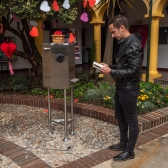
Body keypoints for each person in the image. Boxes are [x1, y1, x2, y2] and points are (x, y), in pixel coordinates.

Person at [100, 15, 144, 161]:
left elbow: (134, 70)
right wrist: (109, 67)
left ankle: (130, 151)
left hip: (129, 89)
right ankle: (123, 143)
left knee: (131, 121)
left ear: (122, 28)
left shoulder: (134, 44)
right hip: (121, 87)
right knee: (120, 117)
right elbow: (123, 66)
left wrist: (111, 72)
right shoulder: (124, 42)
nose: (112, 36)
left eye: (113, 32)